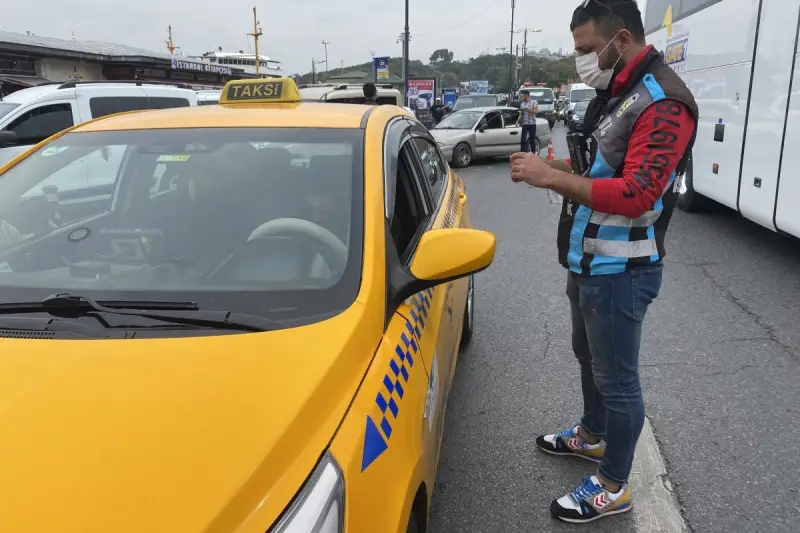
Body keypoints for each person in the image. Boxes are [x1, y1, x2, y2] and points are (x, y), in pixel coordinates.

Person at [509, 0, 698, 524]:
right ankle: (592, 436)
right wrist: (559, 167)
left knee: (618, 379)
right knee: (586, 356)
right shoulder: (618, 93)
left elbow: (638, 192)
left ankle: (615, 484)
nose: (583, 61)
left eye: (588, 50)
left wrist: (553, 179)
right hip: (586, 258)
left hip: (622, 269)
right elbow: (600, 168)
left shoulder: (663, 102)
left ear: (621, 39)